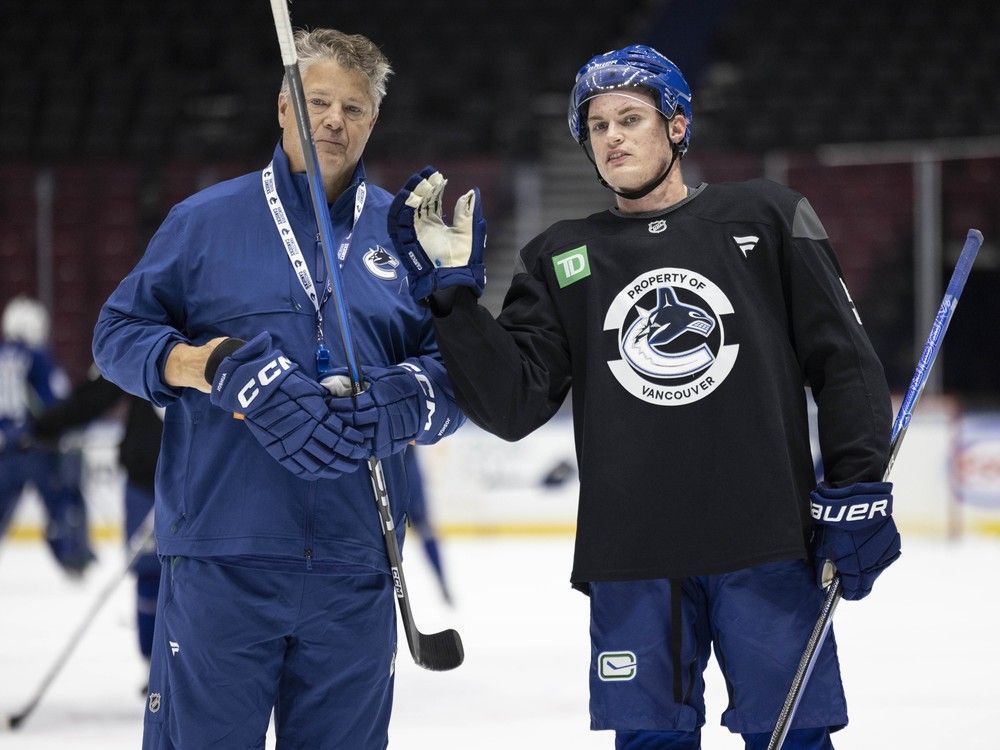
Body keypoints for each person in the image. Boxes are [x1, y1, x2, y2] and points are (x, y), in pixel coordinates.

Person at [385, 45, 902, 749]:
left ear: (679, 125)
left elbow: (843, 363)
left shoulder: (768, 216)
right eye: (596, 126)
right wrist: (454, 307)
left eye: (630, 118)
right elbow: (514, 407)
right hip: (632, 560)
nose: (612, 137)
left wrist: (857, 482)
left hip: (768, 544)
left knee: (794, 738)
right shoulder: (559, 255)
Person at [92, 29, 464, 750]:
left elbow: (454, 376)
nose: (333, 120)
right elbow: (116, 336)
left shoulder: (405, 235)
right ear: (283, 110)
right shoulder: (203, 223)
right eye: (316, 101)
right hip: (223, 560)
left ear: (372, 122)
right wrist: (210, 363)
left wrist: (410, 397)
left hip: (356, 565)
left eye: (352, 108)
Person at [31, 370, 164, 683]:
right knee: (149, 572)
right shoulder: (151, 330)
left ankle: (194, 665)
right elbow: (98, 393)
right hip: (145, 482)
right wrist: (48, 425)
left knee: (202, 576)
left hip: (199, 486)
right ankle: (154, 667)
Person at [0, 296, 95, 575]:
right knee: (61, 506)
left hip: (6, 449)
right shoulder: (37, 356)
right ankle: (73, 559)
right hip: (38, 445)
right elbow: (56, 400)